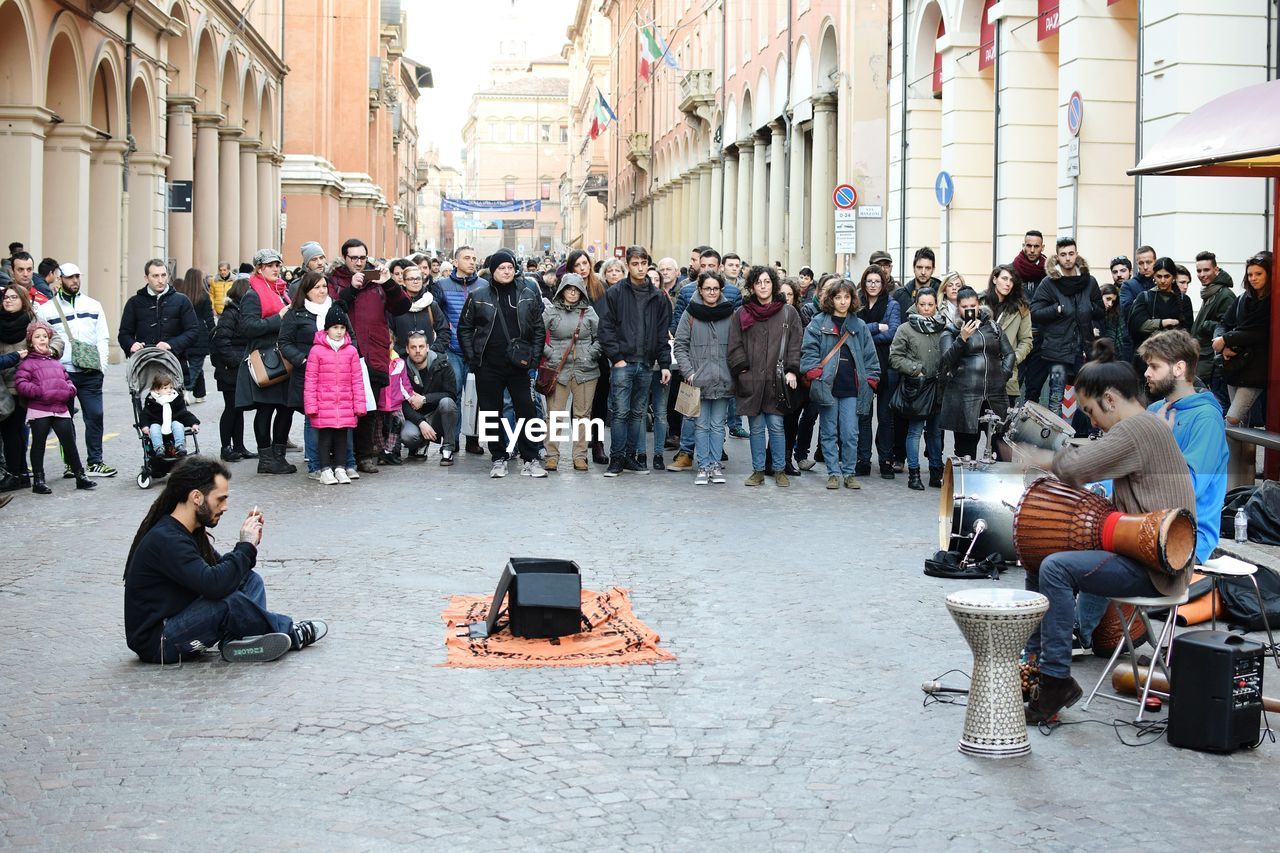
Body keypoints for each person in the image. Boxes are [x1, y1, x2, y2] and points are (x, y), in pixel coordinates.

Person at [1021, 339, 1196, 724]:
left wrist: (1048, 453)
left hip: (1157, 567)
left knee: (1055, 568)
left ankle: (1055, 681)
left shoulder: (1134, 430)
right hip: (1146, 553)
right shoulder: (1143, 424)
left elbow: (1075, 469)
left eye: (1090, 411)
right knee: (1039, 555)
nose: (1092, 421)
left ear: (1111, 399)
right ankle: (1032, 665)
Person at [123, 456, 327, 663]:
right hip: (159, 641)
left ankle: (237, 641)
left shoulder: (188, 531)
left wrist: (248, 547)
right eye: (220, 499)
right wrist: (245, 547)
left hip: (180, 620)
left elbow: (221, 572)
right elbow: (214, 585)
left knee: (249, 579)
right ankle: (290, 632)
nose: (225, 506)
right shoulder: (167, 539)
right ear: (197, 497)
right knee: (228, 601)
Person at [457, 248, 547, 479]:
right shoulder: (478, 296)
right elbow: (465, 328)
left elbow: (538, 328)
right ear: (493, 271)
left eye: (510, 267)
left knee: (526, 411)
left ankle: (531, 458)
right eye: (501, 268)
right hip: (488, 365)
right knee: (490, 413)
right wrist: (473, 359)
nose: (507, 272)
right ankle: (498, 458)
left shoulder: (528, 293)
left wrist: (534, 359)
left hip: (520, 365)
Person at [333, 239, 411, 473]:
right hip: (345, 352)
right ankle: (344, 456)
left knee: (370, 407)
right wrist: (351, 289)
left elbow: (402, 306)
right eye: (354, 258)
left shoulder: (378, 281)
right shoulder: (335, 280)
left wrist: (388, 283)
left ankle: (366, 455)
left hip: (375, 352)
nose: (359, 262)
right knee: (345, 407)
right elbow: (334, 309)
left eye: (362, 257)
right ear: (345, 259)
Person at [597, 246, 672, 477]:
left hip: (647, 364)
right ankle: (616, 458)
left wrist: (665, 363)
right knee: (620, 412)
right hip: (623, 362)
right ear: (628, 265)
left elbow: (662, 333)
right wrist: (616, 358)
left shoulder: (658, 296)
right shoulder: (616, 292)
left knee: (638, 413)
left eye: (643, 263)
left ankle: (630, 456)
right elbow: (605, 328)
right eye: (635, 264)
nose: (640, 268)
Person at [801, 278, 880, 491]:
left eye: (847, 297)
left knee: (850, 432)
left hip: (852, 387)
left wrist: (871, 380)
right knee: (828, 431)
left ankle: (849, 472)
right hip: (827, 385)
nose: (843, 301)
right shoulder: (818, 322)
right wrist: (814, 372)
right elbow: (808, 351)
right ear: (831, 299)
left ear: (852, 299)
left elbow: (870, 356)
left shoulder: (859, 325)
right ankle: (833, 473)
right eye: (838, 297)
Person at [37, 263, 115, 477]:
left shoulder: (93, 305)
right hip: (63, 373)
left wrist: (102, 366)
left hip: (91, 373)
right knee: (64, 420)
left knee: (95, 415)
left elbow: (102, 336)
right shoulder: (47, 310)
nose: (75, 281)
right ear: (60, 278)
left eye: (77, 277)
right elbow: (43, 340)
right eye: (70, 277)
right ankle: (71, 464)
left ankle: (95, 461)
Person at [727, 265, 801, 487]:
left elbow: (795, 344)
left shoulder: (788, 312)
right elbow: (734, 344)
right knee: (756, 428)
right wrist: (742, 371)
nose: (763, 286)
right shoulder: (742, 313)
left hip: (777, 379)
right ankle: (758, 470)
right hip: (751, 379)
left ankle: (779, 469)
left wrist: (792, 369)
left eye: (767, 281)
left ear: (773, 284)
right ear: (751, 286)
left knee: (777, 426)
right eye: (758, 282)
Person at [278, 271, 352, 481]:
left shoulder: (335, 310)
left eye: (324, 286)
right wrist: (303, 359)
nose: (321, 291)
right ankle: (315, 463)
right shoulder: (296, 313)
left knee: (338, 418)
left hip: (336, 375)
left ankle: (338, 462)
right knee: (314, 418)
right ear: (306, 291)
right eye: (316, 287)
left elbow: (350, 336)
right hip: (308, 373)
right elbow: (284, 342)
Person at [234, 249, 296, 475]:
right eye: (270, 265)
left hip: (283, 357)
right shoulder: (253, 294)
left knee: (286, 408)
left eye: (278, 264)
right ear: (259, 268)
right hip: (265, 359)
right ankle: (266, 458)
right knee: (266, 409)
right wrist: (277, 319)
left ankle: (279, 456)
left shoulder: (281, 291)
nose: (275, 269)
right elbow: (247, 328)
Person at [14, 320, 96, 493]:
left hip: (59, 408)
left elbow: (67, 380)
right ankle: (38, 479)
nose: (42, 339)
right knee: (39, 443)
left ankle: (80, 475)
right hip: (39, 408)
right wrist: (39, 391)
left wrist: (69, 390)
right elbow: (21, 384)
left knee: (69, 441)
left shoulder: (55, 362)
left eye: (45, 336)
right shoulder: (27, 363)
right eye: (38, 337)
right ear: (30, 341)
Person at [1029, 237, 1103, 417]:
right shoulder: (1049, 283)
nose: (1068, 258)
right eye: (1063, 254)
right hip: (1057, 349)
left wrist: (1091, 314)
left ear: (1076, 254)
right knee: (1056, 395)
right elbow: (1035, 312)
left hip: (1084, 348)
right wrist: (1056, 309)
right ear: (1057, 257)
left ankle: (1088, 435)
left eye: (1071, 253)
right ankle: (1054, 440)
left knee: (1088, 394)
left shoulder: (1089, 281)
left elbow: (1100, 309)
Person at [673, 271, 735, 485]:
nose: (711, 292)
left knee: (718, 425)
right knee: (700, 424)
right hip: (697, 379)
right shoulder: (690, 314)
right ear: (700, 289)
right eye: (707, 288)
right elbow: (680, 345)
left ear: (721, 290)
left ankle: (715, 465)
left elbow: (737, 346)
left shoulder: (730, 313)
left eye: (715, 288)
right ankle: (703, 465)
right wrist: (689, 372)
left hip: (723, 377)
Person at [940, 287, 1014, 461]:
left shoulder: (993, 326)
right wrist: (962, 338)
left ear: (979, 305)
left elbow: (1009, 353)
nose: (969, 310)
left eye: (973, 305)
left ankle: (997, 486)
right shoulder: (951, 330)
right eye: (964, 306)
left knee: (1000, 447)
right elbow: (945, 362)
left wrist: (1002, 376)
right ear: (958, 307)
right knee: (966, 451)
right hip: (965, 398)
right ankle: (966, 485)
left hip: (995, 397)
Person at [1, 282, 62, 489]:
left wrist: (49, 352)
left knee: (17, 431)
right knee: (11, 431)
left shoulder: (32, 321)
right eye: (6, 298)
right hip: (4, 386)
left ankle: (17, 474)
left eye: (13, 297)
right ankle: (19, 473)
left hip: (27, 383)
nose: (8, 301)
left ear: (23, 300)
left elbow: (57, 339)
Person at [541, 273, 600, 472]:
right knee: (555, 415)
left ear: (581, 291)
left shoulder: (589, 312)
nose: (573, 292)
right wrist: (551, 354)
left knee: (582, 415)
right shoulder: (551, 311)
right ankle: (551, 455)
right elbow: (538, 335)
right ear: (562, 290)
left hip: (586, 370)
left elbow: (602, 336)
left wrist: (591, 353)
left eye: (576, 289)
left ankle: (580, 456)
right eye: (569, 288)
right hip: (558, 370)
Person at [889, 288, 947, 490]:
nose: (926, 309)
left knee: (935, 432)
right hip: (917, 388)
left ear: (936, 305)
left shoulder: (943, 326)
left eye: (930, 305)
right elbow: (894, 357)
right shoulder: (905, 329)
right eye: (922, 304)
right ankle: (914, 474)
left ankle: (935, 472)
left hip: (939, 387)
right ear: (916, 304)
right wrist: (916, 370)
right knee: (914, 431)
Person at [304, 305, 366, 485]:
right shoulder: (317, 351)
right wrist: (311, 405)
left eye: (342, 328)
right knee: (325, 437)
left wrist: (359, 405)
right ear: (327, 329)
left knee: (341, 437)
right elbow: (311, 381)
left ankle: (340, 467)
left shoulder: (351, 351)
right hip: (324, 403)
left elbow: (357, 380)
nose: (339, 332)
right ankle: (324, 469)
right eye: (335, 328)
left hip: (344, 403)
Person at [853, 264, 901, 479]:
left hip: (886, 367)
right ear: (864, 283)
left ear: (883, 284)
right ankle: (863, 460)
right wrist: (874, 327)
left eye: (877, 282)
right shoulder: (856, 303)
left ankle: (886, 461)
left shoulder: (892, 304)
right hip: (861, 366)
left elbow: (892, 333)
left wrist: (865, 333)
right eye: (869, 281)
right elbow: (853, 331)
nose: (873, 285)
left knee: (885, 417)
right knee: (863, 415)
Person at [1213, 252, 1272, 427]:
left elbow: (1260, 332)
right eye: (1250, 274)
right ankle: (1244, 456)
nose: (1253, 278)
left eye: (1258, 274)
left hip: (1256, 370)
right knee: (1243, 424)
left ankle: (1231, 456)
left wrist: (1226, 339)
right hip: (1235, 366)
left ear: (1269, 274)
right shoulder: (1242, 299)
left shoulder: (1272, 302)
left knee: (1232, 419)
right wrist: (1221, 343)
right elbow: (1224, 322)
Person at [209, 276, 257, 463]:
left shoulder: (240, 312)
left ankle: (239, 446)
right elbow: (222, 341)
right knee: (231, 408)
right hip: (229, 369)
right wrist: (237, 361)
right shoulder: (231, 313)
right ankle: (225, 447)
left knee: (239, 408)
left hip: (237, 368)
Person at [438, 245, 481, 453]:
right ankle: (452, 440)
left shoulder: (483, 285)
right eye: (466, 258)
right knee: (453, 395)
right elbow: (436, 316)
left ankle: (473, 439)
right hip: (452, 349)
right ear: (455, 262)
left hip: (477, 351)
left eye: (474, 258)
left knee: (476, 396)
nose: (472, 261)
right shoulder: (442, 285)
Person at [118, 259, 199, 360]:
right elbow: (124, 334)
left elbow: (193, 331)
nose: (160, 280)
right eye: (155, 276)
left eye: (163, 275)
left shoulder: (182, 300)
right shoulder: (134, 302)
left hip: (175, 363)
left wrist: (171, 345)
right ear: (146, 278)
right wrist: (131, 344)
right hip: (143, 363)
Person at [399, 331, 458, 465]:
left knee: (447, 403)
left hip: (438, 415)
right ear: (407, 349)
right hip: (415, 417)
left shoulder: (443, 364)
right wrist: (421, 423)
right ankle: (420, 444)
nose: (418, 351)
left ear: (427, 347)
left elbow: (451, 394)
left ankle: (448, 448)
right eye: (413, 347)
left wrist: (424, 399)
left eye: (421, 346)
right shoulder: (401, 368)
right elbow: (402, 402)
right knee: (407, 436)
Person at [1126, 256, 1193, 365]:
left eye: (1167, 276)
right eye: (1159, 276)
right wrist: (1163, 323)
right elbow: (1136, 326)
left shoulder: (1183, 300)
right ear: (1154, 276)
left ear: (1174, 277)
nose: (1162, 280)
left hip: (1173, 358)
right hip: (1146, 358)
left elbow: (1187, 332)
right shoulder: (1144, 297)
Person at [1191, 250, 1236, 409]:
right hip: (1205, 360)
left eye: (1206, 270)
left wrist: (1205, 326)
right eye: (1198, 270)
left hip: (1214, 365)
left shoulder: (1224, 294)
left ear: (1216, 270)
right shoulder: (1211, 292)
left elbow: (1228, 327)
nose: (1202, 274)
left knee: (1220, 406)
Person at [984, 265, 1033, 407]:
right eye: (1004, 278)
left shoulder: (1021, 307)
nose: (1008, 283)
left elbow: (1027, 340)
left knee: (1001, 425)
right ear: (994, 279)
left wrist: (1013, 359)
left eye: (1011, 280)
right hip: (980, 371)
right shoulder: (980, 301)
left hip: (1006, 374)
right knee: (975, 425)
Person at [777, 279, 808, 477]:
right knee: (775, 421)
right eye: (782, 293)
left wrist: (793, 370)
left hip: (794, 377)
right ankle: (773, 457)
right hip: (774, 377)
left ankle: (787, 458)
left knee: (791, 421)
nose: (785, 298)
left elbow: (801, 346)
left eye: (789, 294)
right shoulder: (772, 316)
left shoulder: (800, 317)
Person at [391, 263, 450, 358]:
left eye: (418, 278)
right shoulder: (396, 305)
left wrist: (433, 351)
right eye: (411, 279)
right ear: (404, 282)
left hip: (429, 359)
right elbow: (388, 333)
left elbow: (444, 331)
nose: (415, 282)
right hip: (403, 360)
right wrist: (401, 352)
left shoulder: (431, 304)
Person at [175, 267, 215, 403]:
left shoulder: (180, 295)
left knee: (193, 365)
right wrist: (214, 333)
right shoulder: (203, 296)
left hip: (182, 332)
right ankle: (186, 391)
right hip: (199, 334)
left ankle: (200, 394)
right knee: (196, 365)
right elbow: (209, 319)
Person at [142, 372, 199, 457]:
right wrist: (145, 426)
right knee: (154, 427)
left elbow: (183, 413)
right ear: (157, 390)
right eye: (165, 388)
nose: (169, 390)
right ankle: (159, 448)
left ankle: (180, 446)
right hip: (157, 423)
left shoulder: (176, 399)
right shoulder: (151, 401)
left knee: (178, 424)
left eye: (171, 388)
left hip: (173, 422)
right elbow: (145, 415)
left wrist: (193, 423)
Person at [892, 247, 940, 315]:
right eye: (919, 267)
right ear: (913, 268)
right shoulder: (900, 295)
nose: (923, 272)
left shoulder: (941, 295)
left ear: (933, 270)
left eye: (927, 268)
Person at [1119, 245, 1156, 315]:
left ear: (1155, 262)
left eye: (1148, 262)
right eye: (1141, 263)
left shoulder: (1162, 282)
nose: (1145, 267)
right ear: (1137, 264)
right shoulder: (1128, 286)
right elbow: (1127, 312)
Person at [1098, 283, 1128, 363]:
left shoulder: (1114, 314)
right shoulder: (1088, 312)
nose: (1110, 304)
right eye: (1108, 299)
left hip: (1112, 358)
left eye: (1113, 301)